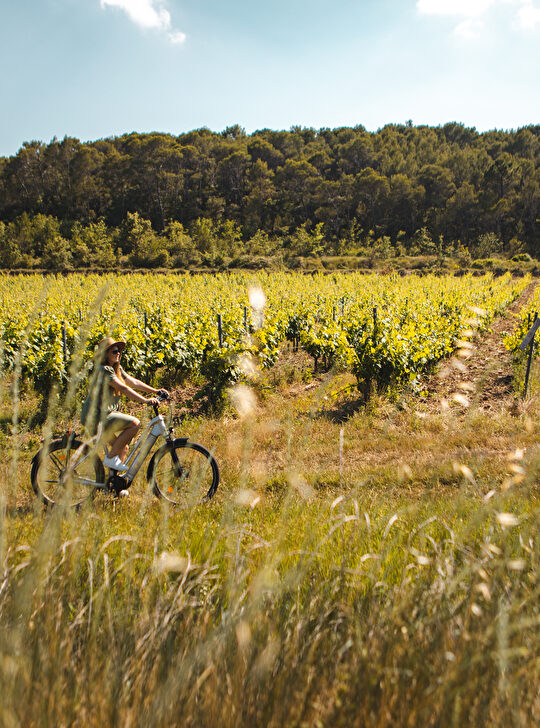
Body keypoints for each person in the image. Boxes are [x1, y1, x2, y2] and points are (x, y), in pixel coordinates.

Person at [81, 337, 168, 472]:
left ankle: (114, 484)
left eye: (119, 351)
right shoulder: (104, 370)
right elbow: (123, 388)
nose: (118, 354)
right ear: (105, 354)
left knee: (123, 447)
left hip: (101, 415)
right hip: (96, 416)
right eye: (114, 351)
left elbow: (133, 382)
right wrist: (145, 400)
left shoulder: (115, 368)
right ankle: (110, 459)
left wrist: (156, 390)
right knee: (135, 424)